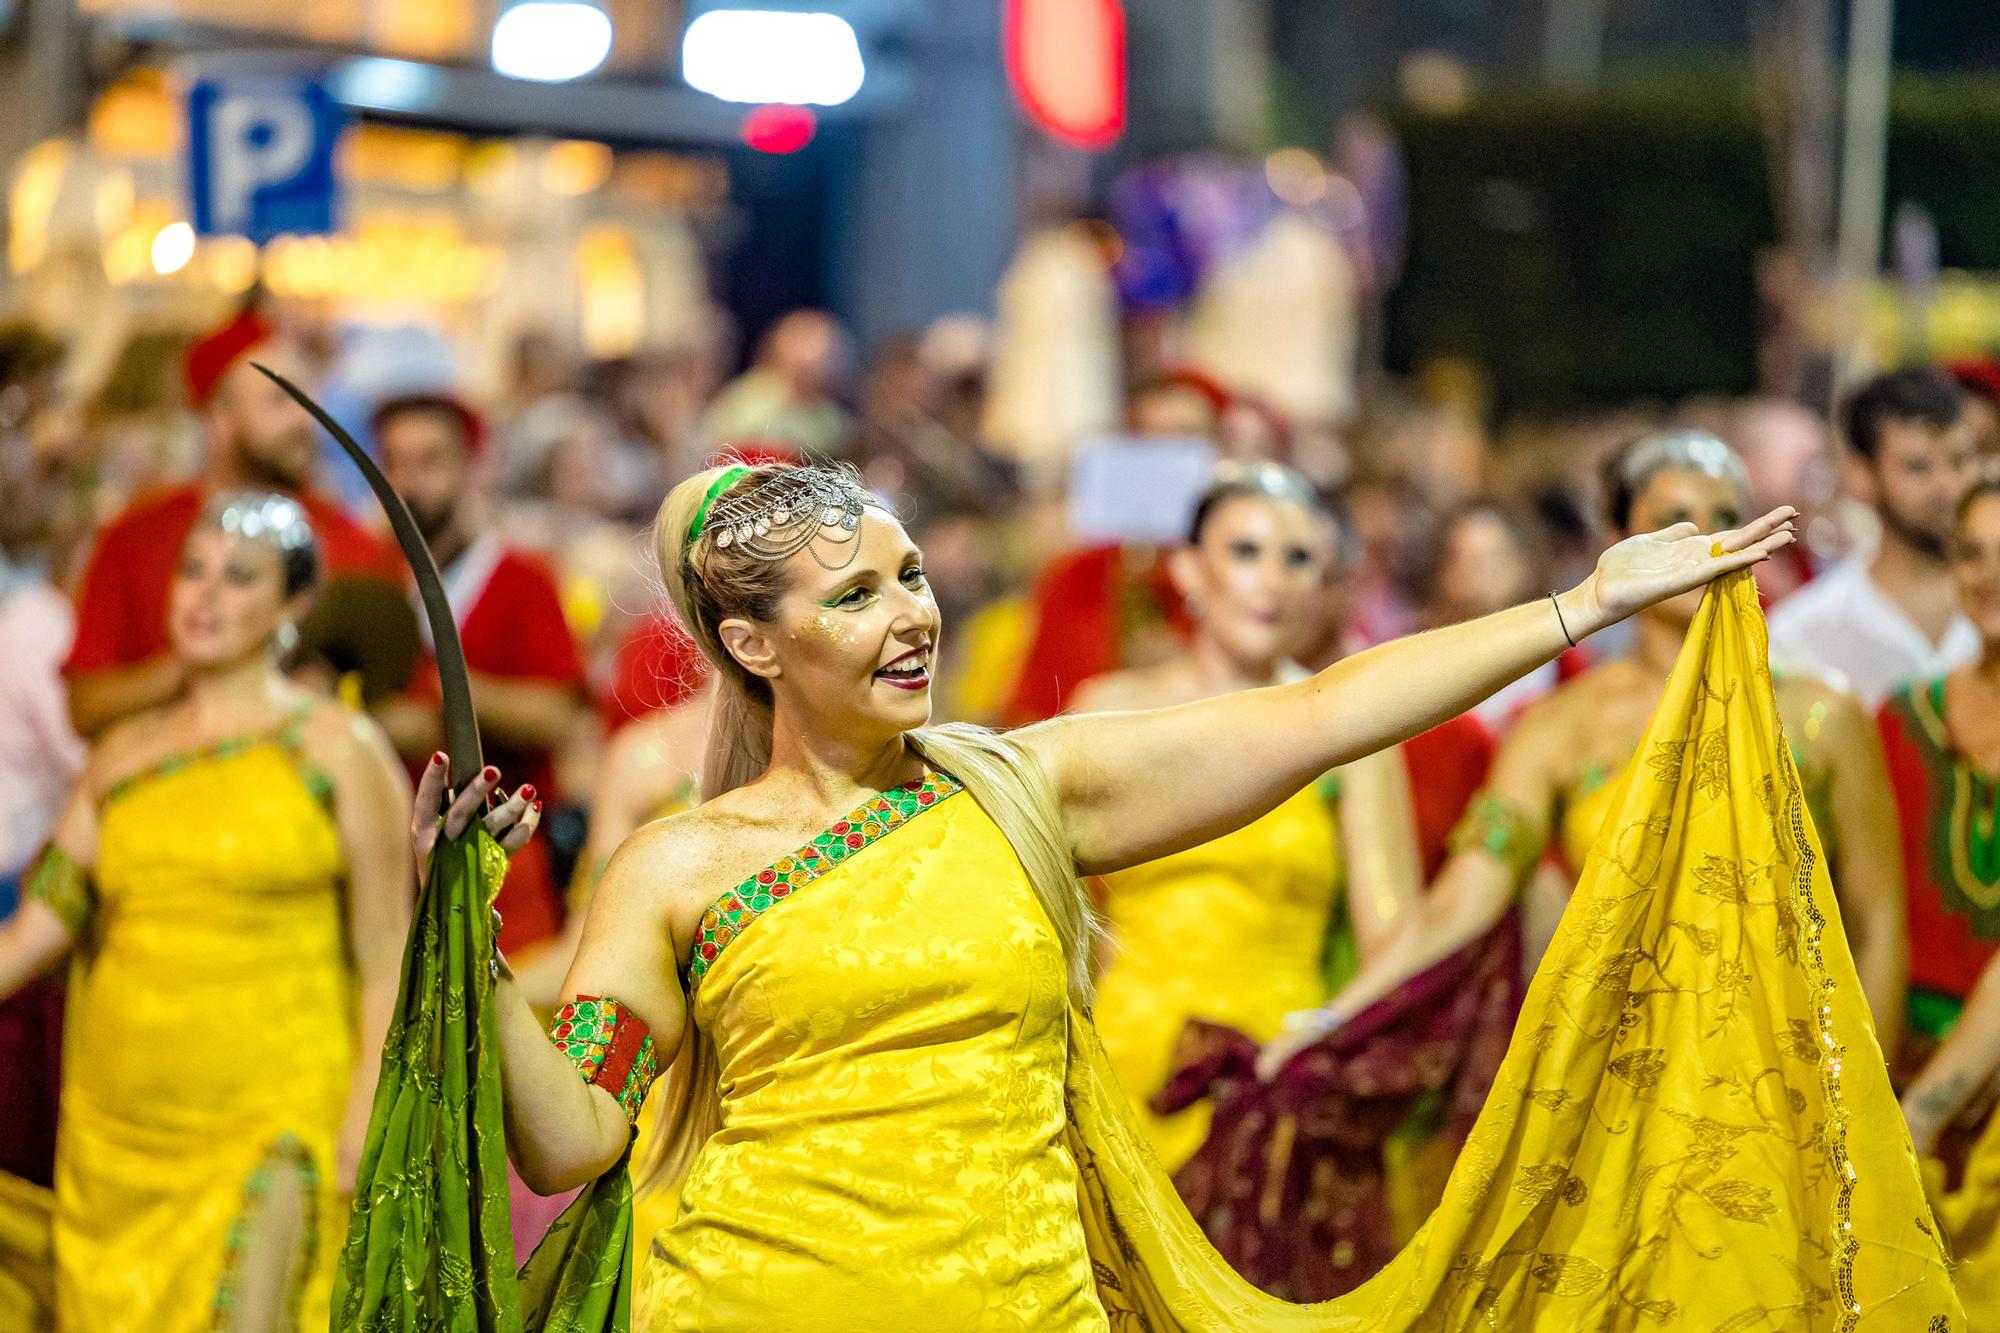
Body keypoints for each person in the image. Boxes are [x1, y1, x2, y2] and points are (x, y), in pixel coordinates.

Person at [416, 457, 1953, 1333]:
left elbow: (1328, 712)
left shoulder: (1023, 783)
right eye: (859, 594)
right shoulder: (677, 867)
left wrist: (1583, 602)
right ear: (755, 646)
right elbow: (574, 1132)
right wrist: (467, 955)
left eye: (913, 574)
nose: (915, 615)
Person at [1266, 431, 1908, 1070]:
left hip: (1789, 1085)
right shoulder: (1556, 728)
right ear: (1617, 542)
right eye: (1671, 523)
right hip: (1616, 1085)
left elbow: (1878, 926)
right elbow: (1464, 899)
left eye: (1726, 520)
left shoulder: (1824, 716)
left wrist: (1858, 1111)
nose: (1705, 542)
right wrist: (1336, 1015)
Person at [0, 494, 419, 1331]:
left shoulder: (341, 749)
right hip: (116, 1146)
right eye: (192, 571)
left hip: (271, 1128)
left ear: (292, 605)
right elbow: (31, 935)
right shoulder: (121, 759)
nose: (205, 594)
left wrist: (366, 1118)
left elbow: (389, 959)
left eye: (238, 578)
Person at [1067, 463, 1427, 1170]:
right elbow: (1051, 912)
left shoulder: (1346, 726)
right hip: (1121, 1069)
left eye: (1297, 558)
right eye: (1245, 552)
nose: (1271, 578)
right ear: (1190, 571)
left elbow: (1400, 938)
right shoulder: (1108, 709)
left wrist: (1322, 1034)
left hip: (1275, 1075)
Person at [61, 309, 407, 740]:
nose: (305, 422)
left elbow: (425, 719)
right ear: (219, 417)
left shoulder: (356, 546)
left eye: (307, 402)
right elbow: (85, 709)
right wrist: (202, 663)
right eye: (281, 402)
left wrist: (329, 705)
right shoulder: (136, 538)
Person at [375, 390, 587, 955]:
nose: (409, 482)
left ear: (472, 466)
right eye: (394, 463)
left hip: (505, 879)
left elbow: (553, 716)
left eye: (429, 461)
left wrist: (443, 697)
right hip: (392, 881)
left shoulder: (522, 579)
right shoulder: (374, 582)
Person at [1881, 474, 2000, 1097]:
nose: (1990, 575)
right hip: (1906, 1068)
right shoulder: (1900, 719)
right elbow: (1868, 913)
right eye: (1973, 552)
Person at [1768, 368, 1979, 706]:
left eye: (1960, 460)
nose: (1948, 487)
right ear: (1861, 475)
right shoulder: (1801, 638)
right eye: (1918, 467)